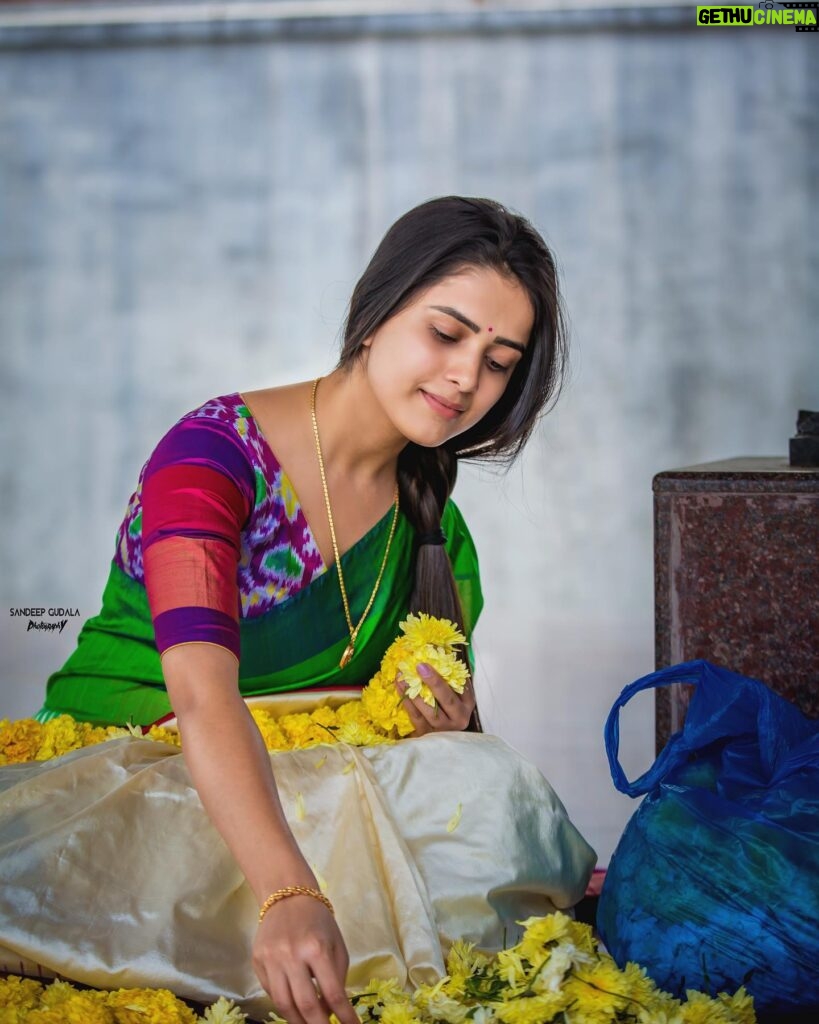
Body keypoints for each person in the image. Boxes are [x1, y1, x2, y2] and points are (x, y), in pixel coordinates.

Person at [8, 196, 594, 1024]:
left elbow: (388, 729)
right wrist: (286, 891)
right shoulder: (209, 459)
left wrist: (440, 723)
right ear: (375, 311)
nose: (467, 378)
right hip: (123, 778)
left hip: (301, 789)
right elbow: (204, 695)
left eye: (499, 360)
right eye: (446, 333)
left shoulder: (428, 518)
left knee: (492, 787)